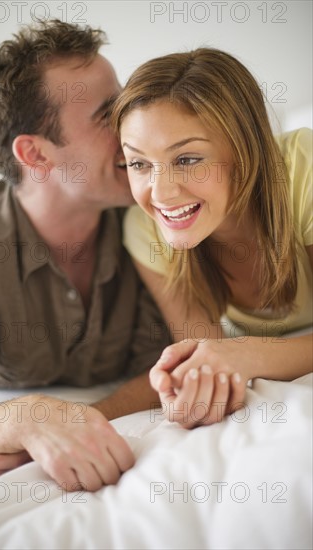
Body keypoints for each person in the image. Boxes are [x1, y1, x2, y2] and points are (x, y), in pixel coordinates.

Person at [0, 20, 170, 491]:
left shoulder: (162, 208)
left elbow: (180, 360)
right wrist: (20, 419)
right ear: (35, 154)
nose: (134, 124)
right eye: (108, 114)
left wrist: (78, 421)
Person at [111, 48, 313, 429]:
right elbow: (206, 360)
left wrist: (246, 354)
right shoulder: (143, 229)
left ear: (245, 151)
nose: (161, 193)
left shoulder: (304, 168)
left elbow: (227, 355)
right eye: (139, 164)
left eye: (187, 159)